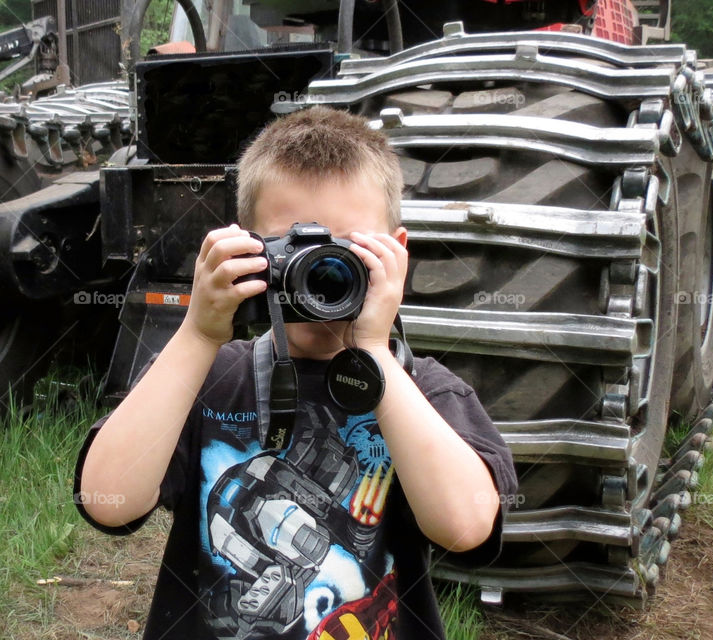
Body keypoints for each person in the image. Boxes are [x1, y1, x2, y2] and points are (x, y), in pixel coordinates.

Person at [74, 106, 518, 640]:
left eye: (347, 251)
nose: (320, 273)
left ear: (397, 257)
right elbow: (107, 504)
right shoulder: (206, 377)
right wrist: (197, 333)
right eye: (293, 249)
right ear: (246, 251)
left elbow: (465, 528)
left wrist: (374, 349)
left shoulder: (423, 392)